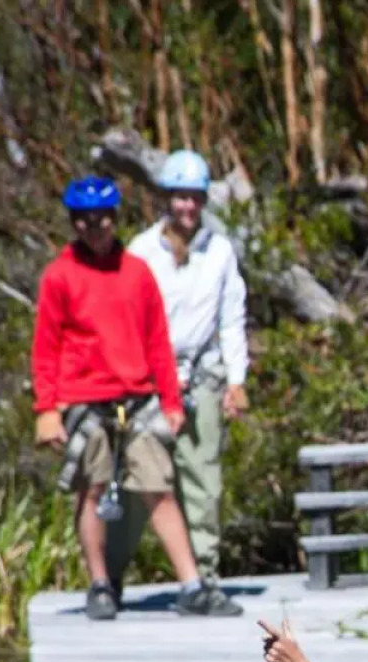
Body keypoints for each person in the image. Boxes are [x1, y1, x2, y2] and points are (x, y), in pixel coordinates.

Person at [31, 175, 214, 620]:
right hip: (84, 398)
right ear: (74, 223)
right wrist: (46, 411)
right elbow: (45, 347)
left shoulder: (136, 272)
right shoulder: (59, 276)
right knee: (92, 490)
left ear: (115, 220)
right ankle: (100, 585)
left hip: (138, 396)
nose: (96, 228)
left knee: (159, 489)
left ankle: (192, 585)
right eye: (86, 221)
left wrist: (170, 402)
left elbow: (158, 343)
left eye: (104, 219)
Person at [105, 149, 249, 617]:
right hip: (146, 383)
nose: (187, 207)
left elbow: (232, 318)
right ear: (165, 199)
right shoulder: (141, 252)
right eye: (179, 197)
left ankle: (203, 579)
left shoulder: (220, 251)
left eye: (195, 198)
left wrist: (236, 379)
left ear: (204, 201)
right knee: (136, 483)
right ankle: (110, 578)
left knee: (203, 479)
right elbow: (122, 322)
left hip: (201, 375)